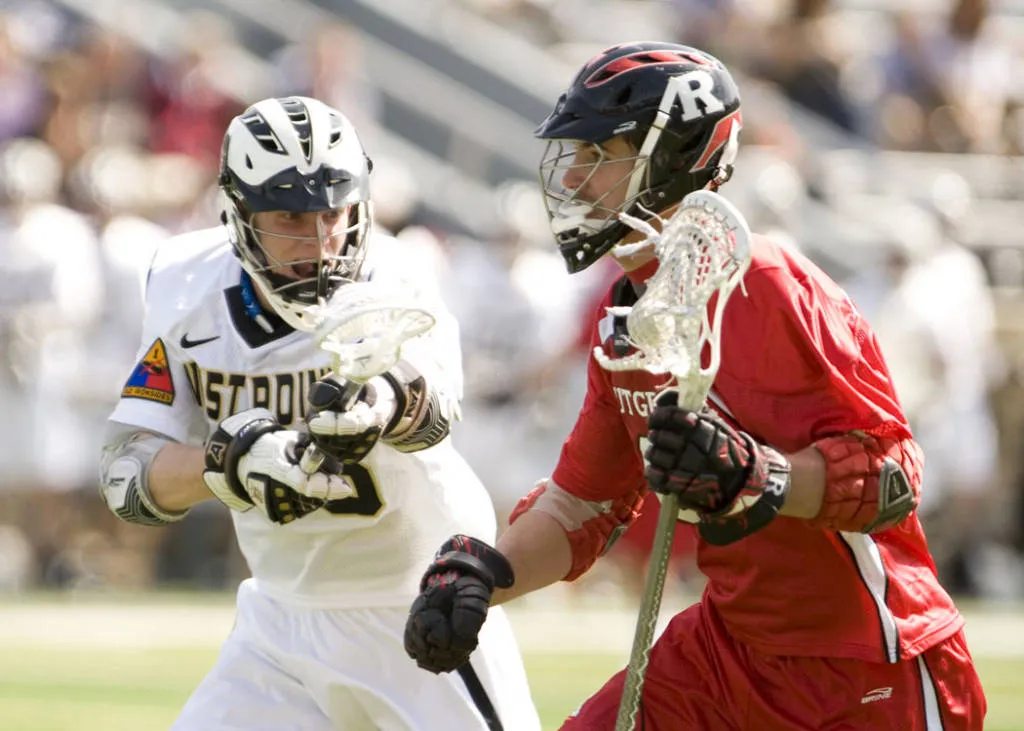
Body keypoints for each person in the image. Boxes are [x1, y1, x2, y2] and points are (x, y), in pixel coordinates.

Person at [404, 43, 986, 730]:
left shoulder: (768, 285)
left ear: (672, 158)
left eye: (603, 154)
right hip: (731, 646)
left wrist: (762, 475)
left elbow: (894, 479)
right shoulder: (627, 313)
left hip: (865, 657)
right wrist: (485, 574)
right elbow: (582, 504)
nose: (580, 179)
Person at [98, 95, 540, 731]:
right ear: (238, 212)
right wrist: (230, 462)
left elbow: (434, 415)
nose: (320, 239)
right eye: (289, 216)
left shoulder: (401, 275)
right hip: (279, 622)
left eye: (334, 212)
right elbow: (125, 475)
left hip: (416, 608)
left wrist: (379, 402)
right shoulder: (184, 284)